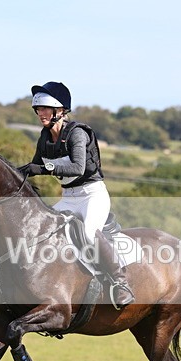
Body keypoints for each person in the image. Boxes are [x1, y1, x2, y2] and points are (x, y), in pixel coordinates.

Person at [17, 81, 134, 309]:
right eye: (38, 109)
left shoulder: (77, 134)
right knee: (43, 232)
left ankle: (121, 283)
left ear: (60, 111)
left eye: (45, 109)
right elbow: (35, 165)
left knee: (90, 234)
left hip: (92, 195)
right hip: (69, 197)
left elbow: (78, 168)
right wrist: (14, 173)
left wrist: (44, 169)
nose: (40, 113)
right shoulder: (45, 137)